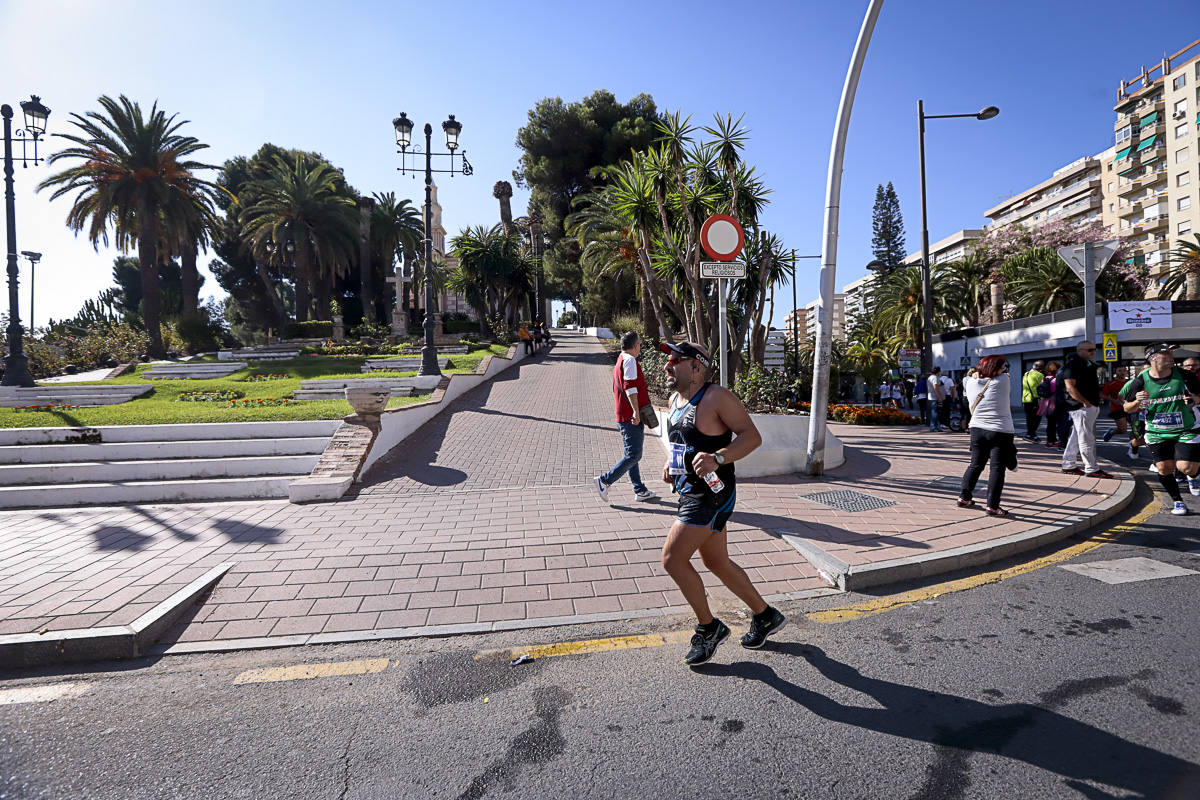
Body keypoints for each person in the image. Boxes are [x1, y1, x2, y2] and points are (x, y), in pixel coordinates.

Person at [657, 341, 784, 666]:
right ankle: (765, 615)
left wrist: (718, 457)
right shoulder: (675, 399)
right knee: (716, 562)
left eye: (674, 360)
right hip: (689, 489)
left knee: (672, 559)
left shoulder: (716, 398)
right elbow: (683, 443)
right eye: (668, 360)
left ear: (696, 366)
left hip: (712, 494)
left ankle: (709, 628)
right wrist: (674, 466)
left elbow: (752, 437)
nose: (668, 366)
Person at [1123, 343, 1200, 516]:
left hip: (1186, 427)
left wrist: (1193, 399)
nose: (1172, 355)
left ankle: (1194, 475)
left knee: (1186, 467)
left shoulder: (1186, 375)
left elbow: (1198, 395)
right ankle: (1178, 501)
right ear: (1153, 358)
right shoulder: (1140, 380)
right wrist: (1137, 402)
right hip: (1157, 430)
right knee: (1165, 468)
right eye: (1166, 353)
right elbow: (1127, 408)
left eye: (1172, 352)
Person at [594, 331, 657, 504]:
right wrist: (636, 411)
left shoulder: (620, 360)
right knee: (633, 455)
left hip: (624, 415)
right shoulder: (630, 361)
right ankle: (605, 480)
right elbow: (630, 388)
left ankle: (640, 489)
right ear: (635, 346)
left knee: (632, 454)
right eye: (640, 345)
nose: (640, 349)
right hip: (630, 416)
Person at [958, 355, 1016, 516]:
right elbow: (1004, 374)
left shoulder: (969, 382)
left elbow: (971, 377)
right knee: (997, 468)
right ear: (996, 369)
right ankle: (992, 506)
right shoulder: (1004, 380)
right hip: (1000, 430)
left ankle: (964, 497)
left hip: (976, 429)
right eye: (1003, 366)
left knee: (976, 464)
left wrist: (977, 374)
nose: (1005, 369)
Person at [1060, 341, 1113, 479]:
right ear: (1079, 350)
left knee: (1077, 437)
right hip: (1080, 407)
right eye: (1089, 350)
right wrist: (1085, 402)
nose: (1093, 352)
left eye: (1094, 349)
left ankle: (1069, 464)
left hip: (1087, 406)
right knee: (1086, 438)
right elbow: (1070, 387)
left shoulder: (1086, 364)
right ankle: (1091, 468)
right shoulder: (1072, 365)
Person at [1101, 367, 1129, 443]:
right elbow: (1102, 395)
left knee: (1136, 429)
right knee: (1123, 430)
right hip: (1117, 409)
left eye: (1124, 370)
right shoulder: (1110, 384)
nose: (1122, 372)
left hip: (1131, 408)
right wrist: (1113, 400)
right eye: (1119, 370)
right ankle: (1111, 432)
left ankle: (1133, 449)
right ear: (1115, 373)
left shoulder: (1131, 382)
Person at [1021, 360, 1045, 441]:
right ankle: (1031, 434)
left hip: (1026, 399)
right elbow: (1042, 388)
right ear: (1041, 368)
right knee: (1037, 418)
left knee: (1029, 418)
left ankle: (1030, 434)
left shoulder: (1026, 374)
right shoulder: (1040, 375)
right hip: (1035, 399)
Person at [1040, 361, 1063, 448]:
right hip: (1054, 403)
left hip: (1046, 404)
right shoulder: (1055, 379)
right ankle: (1057, 441)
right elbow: (1056, 391)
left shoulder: (1044, 379)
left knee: (1050, 423)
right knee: (1058, 423)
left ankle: (1050, 441)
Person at [927, 367, 944, 432]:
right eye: (940, 371)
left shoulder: (930, 377)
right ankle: (933, 427)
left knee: (935, 412)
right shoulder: (934, 378)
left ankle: (937, 427)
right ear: (938, 371)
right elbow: (935, 387)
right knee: (935, 413)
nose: (940, 372)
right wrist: (940, 396)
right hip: (934, 397)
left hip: (931, 397)